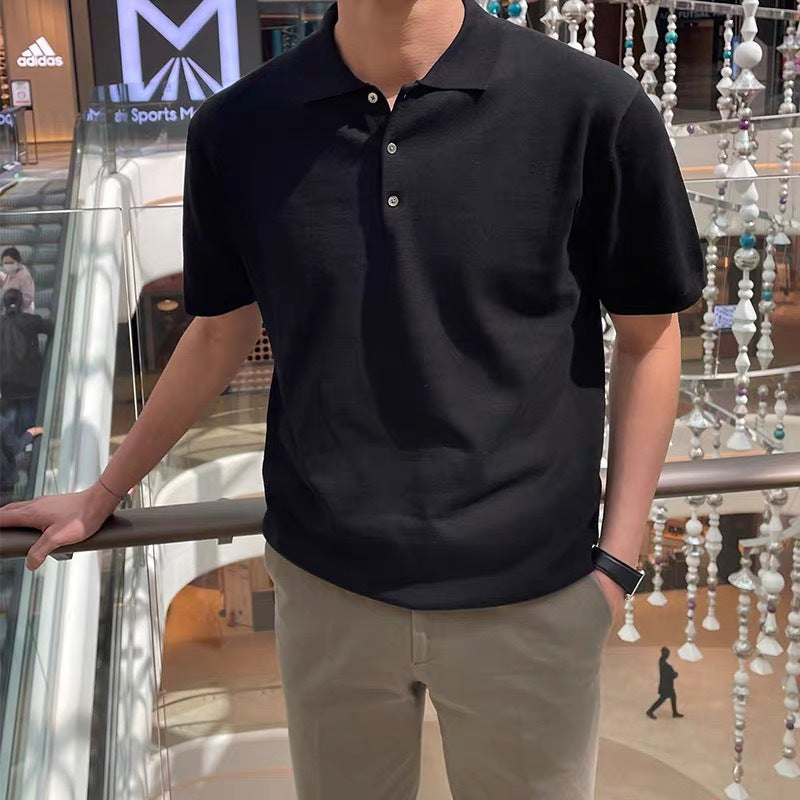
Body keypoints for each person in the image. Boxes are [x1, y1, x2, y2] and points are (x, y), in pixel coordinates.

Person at [0, 1, 703, 797]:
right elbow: (219, 332)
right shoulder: (241, 127)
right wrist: (103, 492)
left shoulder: (592, 108)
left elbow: (649, 335)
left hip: (533, 593)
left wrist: (615, 563)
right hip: (327, 588)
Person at [0, 289, 52, 434]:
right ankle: (29, 445)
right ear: (21, 304)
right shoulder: (30, 320)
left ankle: (10, 445)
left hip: (6, 383)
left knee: (9, 420)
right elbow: (50, 327)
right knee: (29, 421)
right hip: (29, 383)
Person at [0, 418, 43, 506]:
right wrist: (30, 434)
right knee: (5, 508)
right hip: (4, 482)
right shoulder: (3, 424)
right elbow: (15, 448)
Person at [646, 646, 684, 719]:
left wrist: (672, 673)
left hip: (667, 685)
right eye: (667, 653)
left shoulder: (662, 661)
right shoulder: (663, 663)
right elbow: (668, 675)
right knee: (661, 700)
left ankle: (675, 713)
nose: (668, 655)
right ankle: (649, 711)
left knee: (673, 697)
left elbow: (667, 673)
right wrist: (674, 674)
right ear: (665, 654)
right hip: (666, 686)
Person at [0, 247, 35, 313]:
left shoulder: (24, 276)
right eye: (5, 263)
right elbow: (6, 281)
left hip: (21, 314)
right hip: (9, 313)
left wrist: (14, 301)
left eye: (10, 262)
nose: (8, 265)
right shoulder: (11, 273)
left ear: (18, 262)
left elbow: (28, 298)